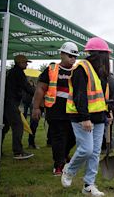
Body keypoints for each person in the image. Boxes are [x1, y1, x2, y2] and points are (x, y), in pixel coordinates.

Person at [61, 37, 112, 197]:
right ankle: (68, 170)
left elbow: (101, 96)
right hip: (81, 117)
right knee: (86, 150)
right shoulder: (81, 68)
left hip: (99, 117)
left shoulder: (100, 71)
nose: (107, 58)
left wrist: (107, 111)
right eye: (106, 55)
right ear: (97, 54)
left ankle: (89, 185)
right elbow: (79, 95)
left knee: (95, 152)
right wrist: (85, 117)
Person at [32, 42, 79, 175]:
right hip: (55, 111)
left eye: (75, 56)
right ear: (62, 54)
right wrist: (36, 107)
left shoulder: (77, 71)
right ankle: (58, 164)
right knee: (59, 138)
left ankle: (63, 155)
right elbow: (41, 88)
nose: (73, 59)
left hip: (72, 112)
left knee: (73, 137)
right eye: (70, 55)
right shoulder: (51, 69)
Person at [2, 55, 35, 159]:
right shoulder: (18, 73)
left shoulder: (12, 72)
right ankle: (18, 152)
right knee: (18, 126)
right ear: (20, 63)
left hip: (6, 102)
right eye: (25, 62)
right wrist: (38, 93)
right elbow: (26, 87)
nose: (27, 64)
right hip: (10, 102)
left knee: (4, 127)